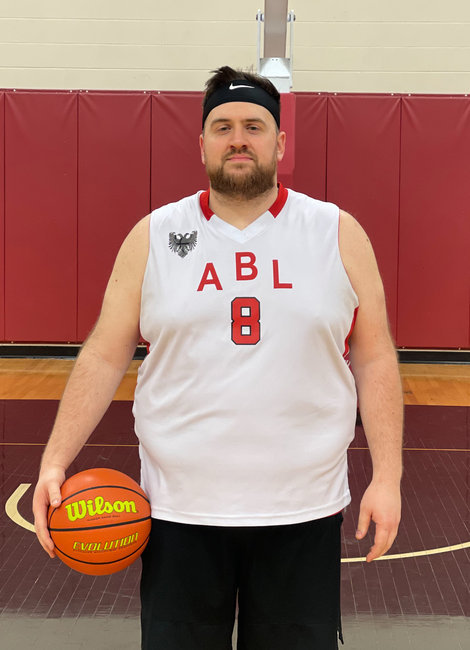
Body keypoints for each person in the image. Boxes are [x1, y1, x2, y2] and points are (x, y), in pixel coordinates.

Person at [33, 65, 403, 649]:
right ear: (201, 143)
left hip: (302, 511)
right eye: (222, 127)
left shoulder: (336, 232)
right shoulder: (154, 235)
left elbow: (375, 356)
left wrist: (388, 476)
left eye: (254, 126)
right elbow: (104, 353)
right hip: (178, 513)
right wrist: (55, 459)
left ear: (280, 143)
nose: (238, 139)